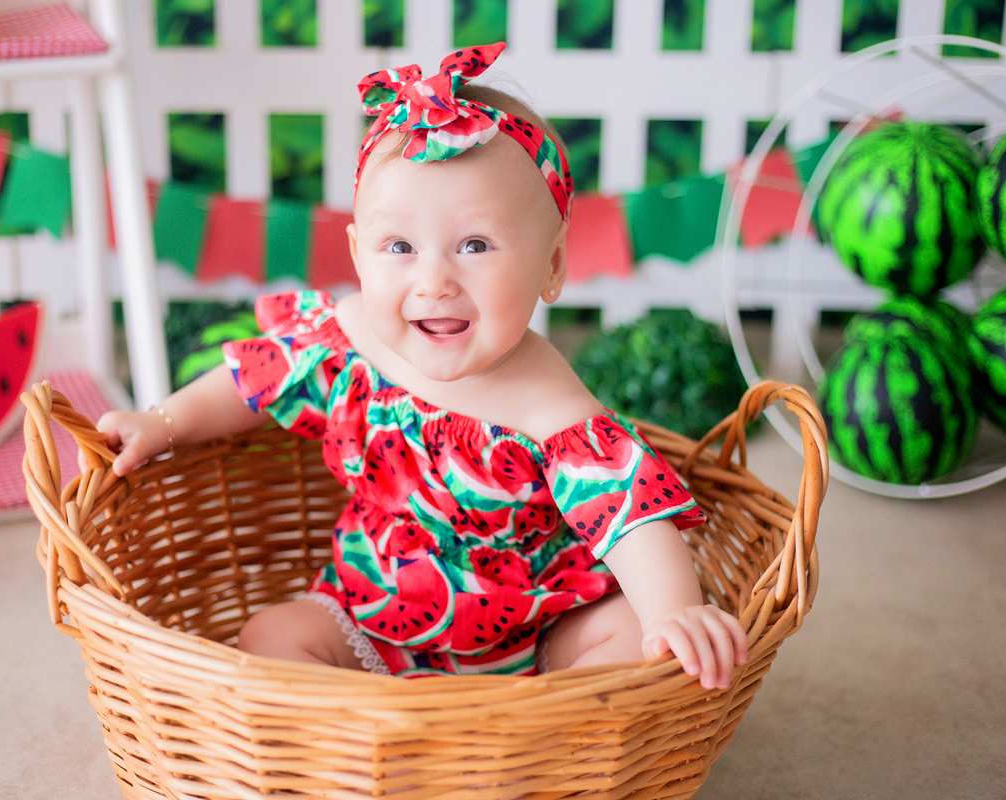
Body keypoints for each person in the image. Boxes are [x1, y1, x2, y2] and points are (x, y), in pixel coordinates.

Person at [94, 43, 747, 684]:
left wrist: (675, 611)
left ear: (551, 266)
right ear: (358, 256)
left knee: (635, 637)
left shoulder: (553, 408)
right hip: (373, 618)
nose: (434, 280)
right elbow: (253, 381)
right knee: (268, 636)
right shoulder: (346, 345)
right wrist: (165, 422)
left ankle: (520, 741)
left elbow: (631, 514)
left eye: (474, 244)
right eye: (400, 246)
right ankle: (372, 734)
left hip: (538, 635)